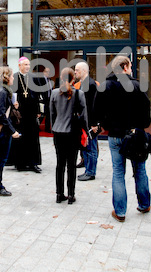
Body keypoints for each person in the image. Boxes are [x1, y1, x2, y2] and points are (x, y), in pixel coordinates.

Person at [93, 55, 151, 222]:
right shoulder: (137, 86)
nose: (132, 69)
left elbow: (96, 111)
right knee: (140, 170)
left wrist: (105, 123)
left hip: (115, 135)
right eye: (131, 66)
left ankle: (120, 212)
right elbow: (146, 115)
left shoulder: (106, 86)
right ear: (125, 67)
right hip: (136, 135)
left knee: (118, 173)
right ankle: (144, 204)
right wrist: (140, 126)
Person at [50, 67, 87, 204]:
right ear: (73, 79)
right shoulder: (79, 94)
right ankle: (71, 194)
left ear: (61, 78)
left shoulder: (54, 93)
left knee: (60, 164)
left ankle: (59, 194)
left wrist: (54, 128)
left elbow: (52, 115)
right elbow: (84, 117)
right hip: (72, 132)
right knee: (71, 164)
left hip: (58, 132)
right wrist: (87, 132)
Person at [0, 66, 21, 196]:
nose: (13, 78)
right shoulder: (2, 91)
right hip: (2, 131)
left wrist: (12, 106)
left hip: (0, 129)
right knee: (1, 159)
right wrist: (13, 131)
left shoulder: (0, 90)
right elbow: (1, 115)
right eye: (12, 76)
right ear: (6, 77)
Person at [9, 57, 42, 173]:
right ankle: (20, 163)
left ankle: (33, 163)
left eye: (28, 64)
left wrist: (39, 111)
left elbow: (38, 96)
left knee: (32, 137)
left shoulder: (33, 77)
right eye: (25, 64)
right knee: (20, 137)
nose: (28, 66)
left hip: (31, 112)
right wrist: (13, 104)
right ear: (19, 65)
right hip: (19, 113)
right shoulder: (14, 77)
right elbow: (11, 93)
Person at [74, 62, 99, 182]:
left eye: (77, 70)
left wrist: (94, 123)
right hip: (84, 121)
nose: (75, 72)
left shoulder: (91, 84)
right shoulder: (84, 84)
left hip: (90, 122)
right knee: (86, 146)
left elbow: (94, 106)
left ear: (84, 70)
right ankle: (87, 170)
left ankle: (91, 172)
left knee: (91, 147)